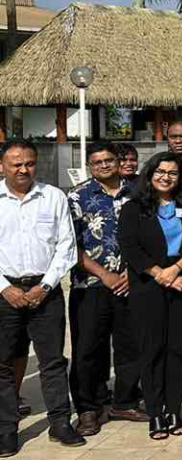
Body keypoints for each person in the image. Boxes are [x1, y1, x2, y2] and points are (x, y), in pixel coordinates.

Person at [0, 140, 84, 454]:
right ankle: (6, 430)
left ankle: (60, 422)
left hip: (45, 293)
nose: (23, 169)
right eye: (16, 164)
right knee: (3, 364)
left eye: (29, 163)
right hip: (4, 293)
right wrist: (4, 288)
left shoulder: (53, 196)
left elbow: (66, 245)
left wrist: (45, 286)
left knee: (52, 361)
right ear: (2, 166)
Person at [118, 152, 182, 437]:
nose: (165, 177)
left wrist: (177, 269)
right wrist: (161, 274)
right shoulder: (134, 207)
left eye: (172, 172)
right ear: (150, 174)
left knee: (178, 350)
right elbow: (130, 247)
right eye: (160, 171)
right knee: (152, 350)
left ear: (180, 177)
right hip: (148, 286)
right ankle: (155, 413)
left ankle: (174, 411)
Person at [66, 143, 142, 437]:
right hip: (90, 284)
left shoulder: (138, 193)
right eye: (97, 162)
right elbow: (69, 244)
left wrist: (132, 272)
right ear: (90, 165)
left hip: (131, 283)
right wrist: (104, 274)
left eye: (109, 160)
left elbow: (149, 237)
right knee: (88, 349)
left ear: (118, 161)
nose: (104, 165)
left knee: (130, 345)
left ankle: (125, 401)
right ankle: (88, 408)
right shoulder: (77, 196)